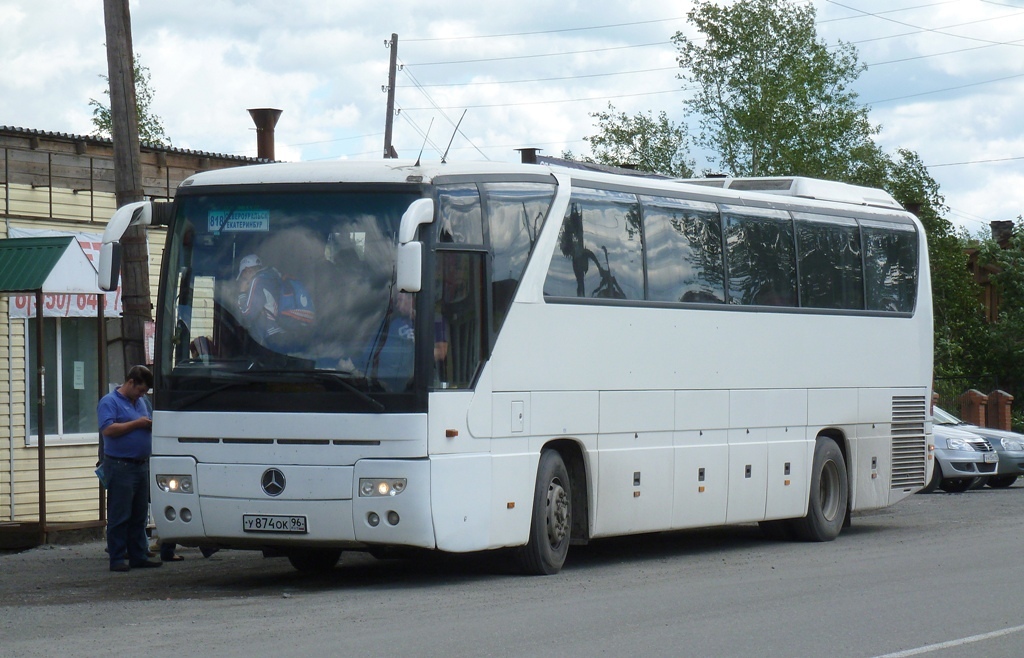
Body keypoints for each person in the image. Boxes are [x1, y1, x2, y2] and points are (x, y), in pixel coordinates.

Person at [97, 365, 162, 572]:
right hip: (120, 465)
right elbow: (108, 429)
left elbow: (150, 422)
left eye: (145, 392)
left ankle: (138, 555)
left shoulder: (142, 402)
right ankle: (116, 557)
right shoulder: (110, 402)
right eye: (140, 390)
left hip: (141, 464)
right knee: (120, 513)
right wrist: (137, 424)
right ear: (131, 382)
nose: (142, 395)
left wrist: (150, 425)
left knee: (139, 514)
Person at [236, 253, 285, 347]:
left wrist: (242, 292)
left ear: (247, 270)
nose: (244, 280)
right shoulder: (273, 277)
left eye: (243, 277)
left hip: (270, 336)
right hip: (281, 333)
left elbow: (247, 314)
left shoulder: (257, 281)